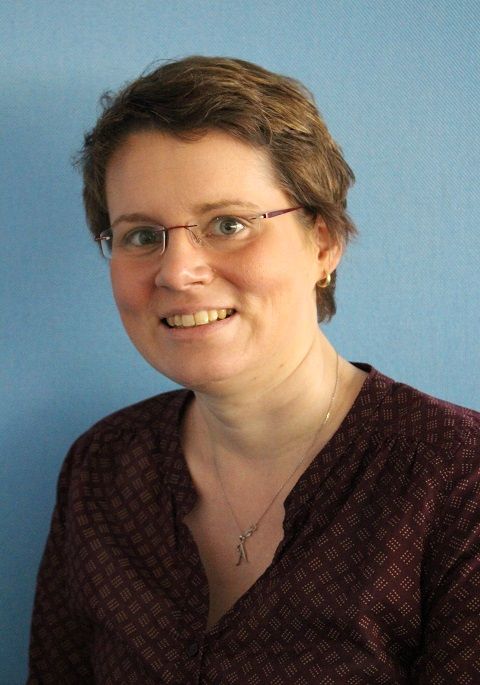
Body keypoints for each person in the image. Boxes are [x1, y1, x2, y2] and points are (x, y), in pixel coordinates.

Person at [27, 56, 479, 684]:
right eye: (142, 235)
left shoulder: (458, 481)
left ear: (323, 242)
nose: (177, 272)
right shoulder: (100, 470)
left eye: (229, 224)